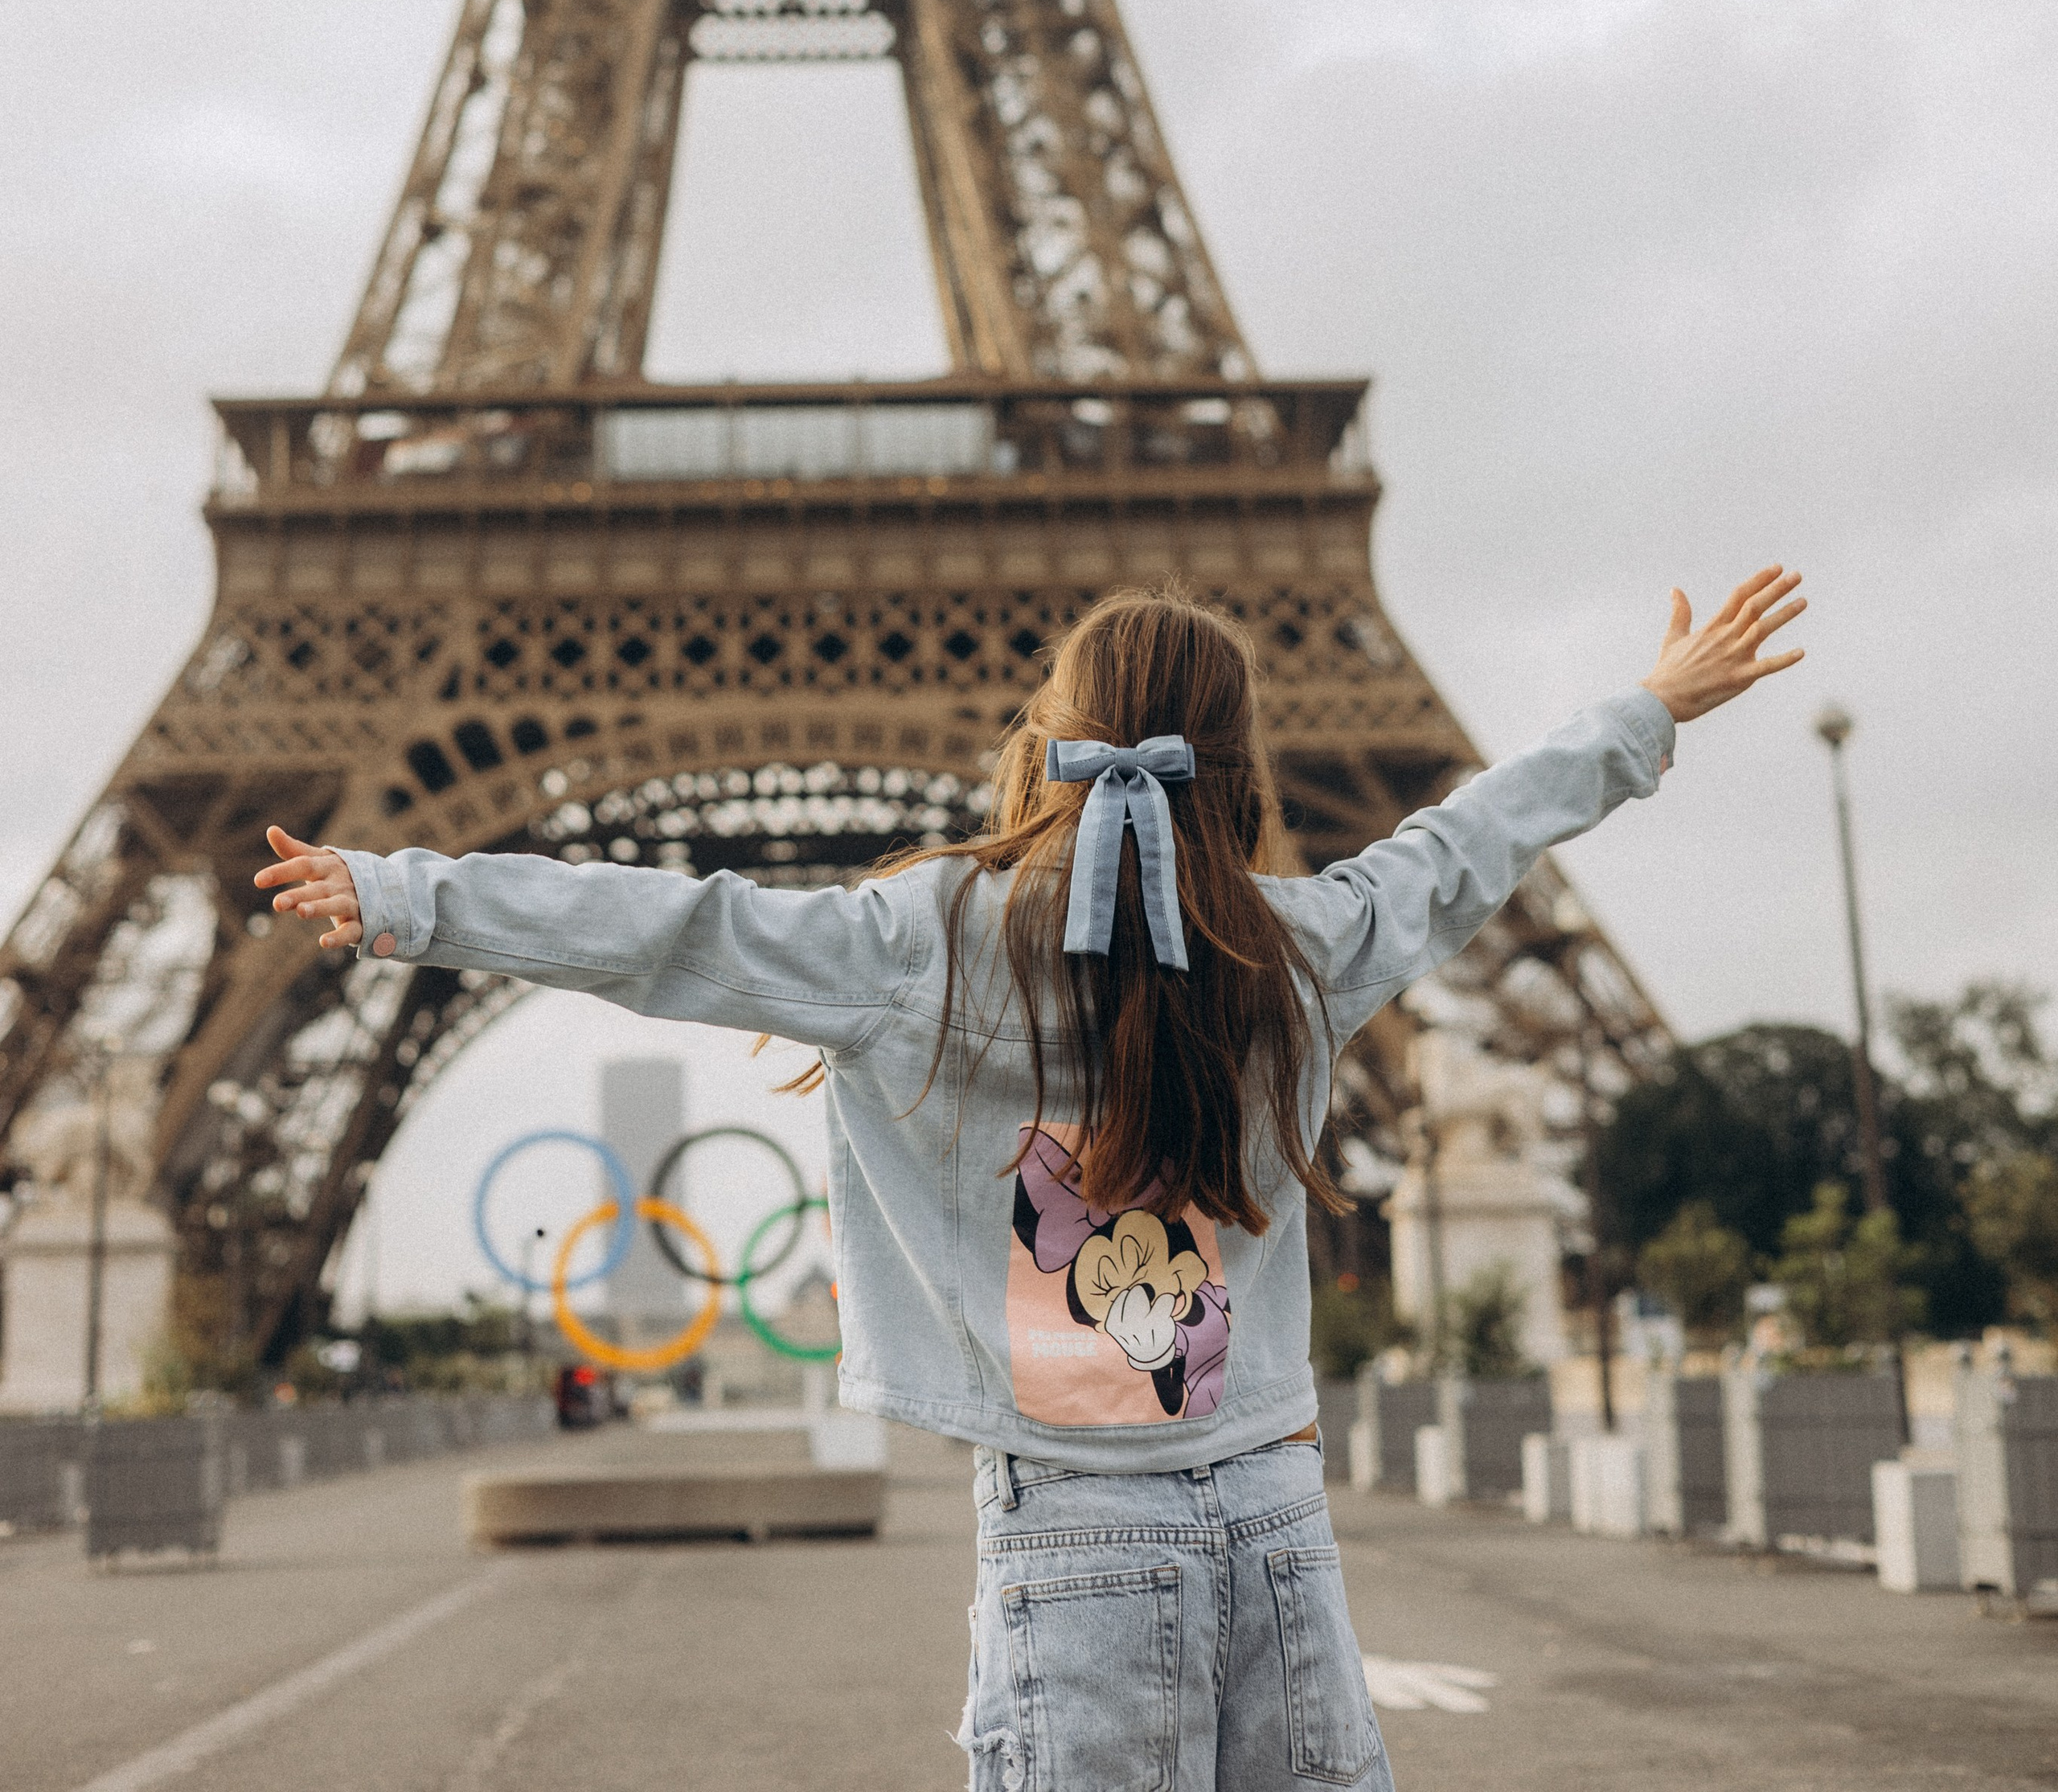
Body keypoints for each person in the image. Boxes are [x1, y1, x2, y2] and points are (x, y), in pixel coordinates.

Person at [257, 564, 1804, 1791]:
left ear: (1043, 744)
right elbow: (1466, 846)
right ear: (1236, 765)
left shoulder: (919, 940)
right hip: (1275, 1516)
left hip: (1074, 1531)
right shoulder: (1296, 946)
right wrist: (1649, 710)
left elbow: (677, 930)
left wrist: (408, 894)